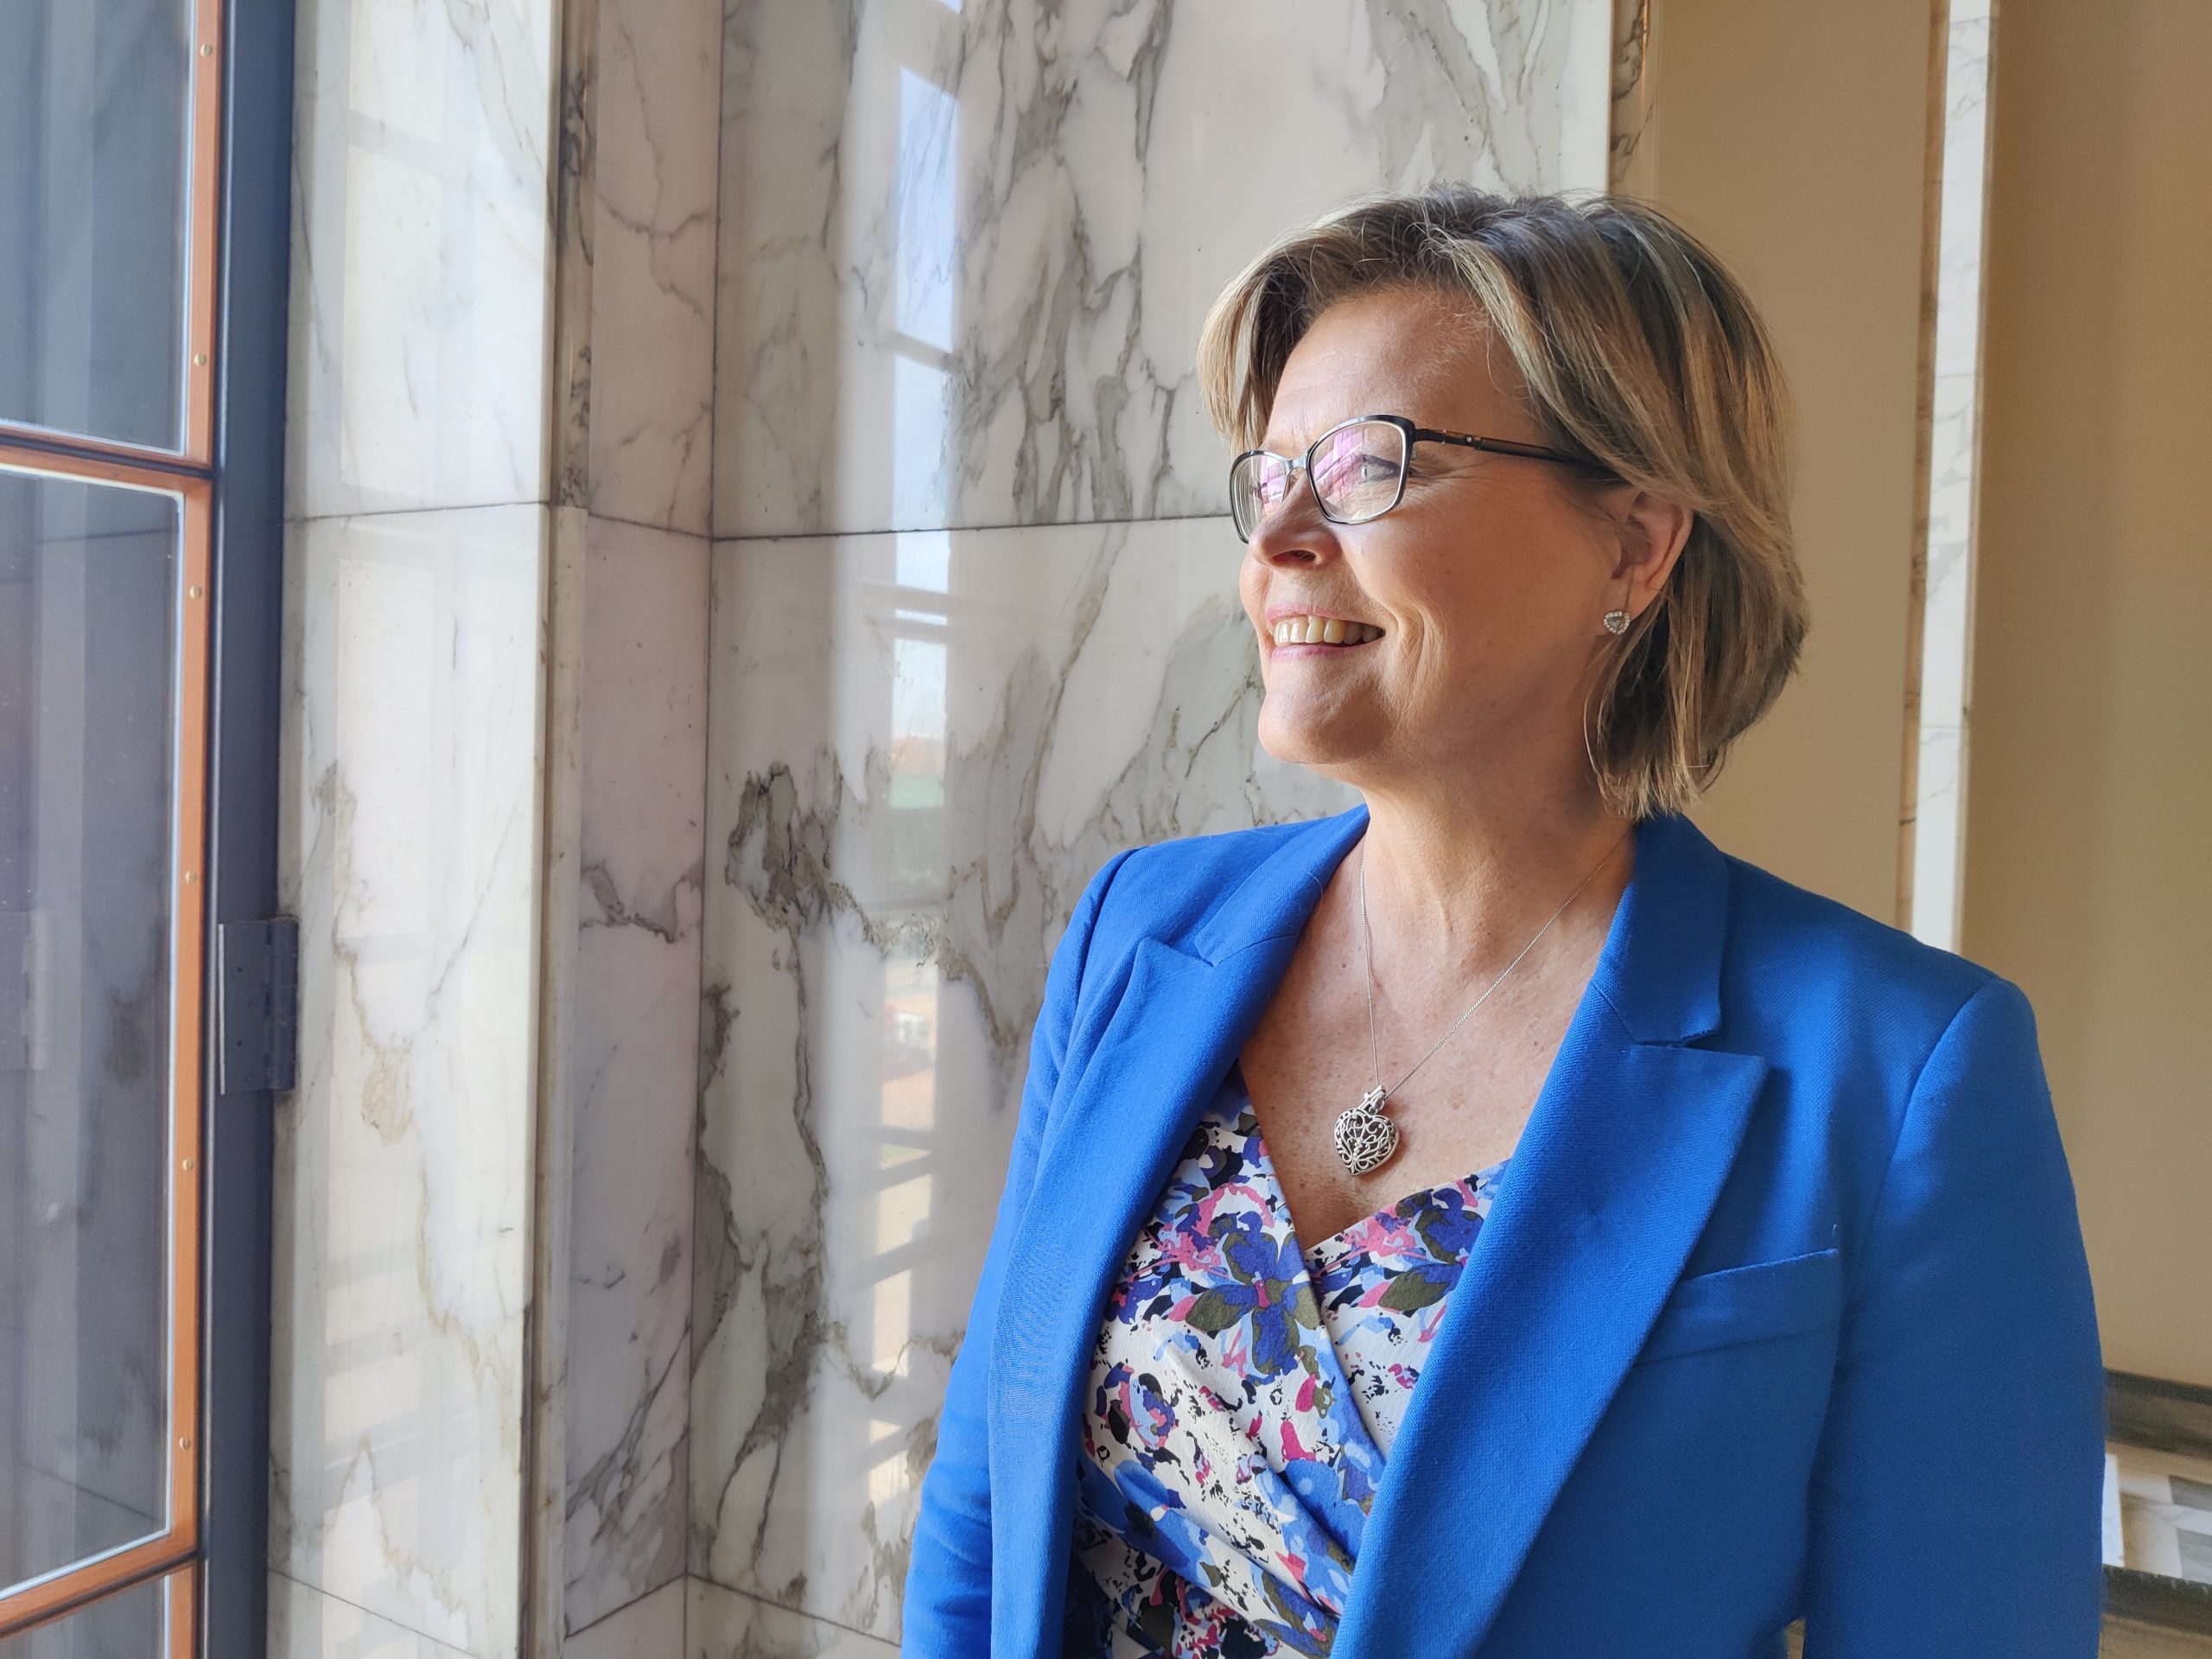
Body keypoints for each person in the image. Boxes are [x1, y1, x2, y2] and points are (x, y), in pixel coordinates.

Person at [901, 186, 2104, 1658]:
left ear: (1635, 547)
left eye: (1367, 466)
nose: (1278, 535)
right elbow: (983, 1514)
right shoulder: (1141, 930)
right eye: (1269, 474)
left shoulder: (1902, 1074)